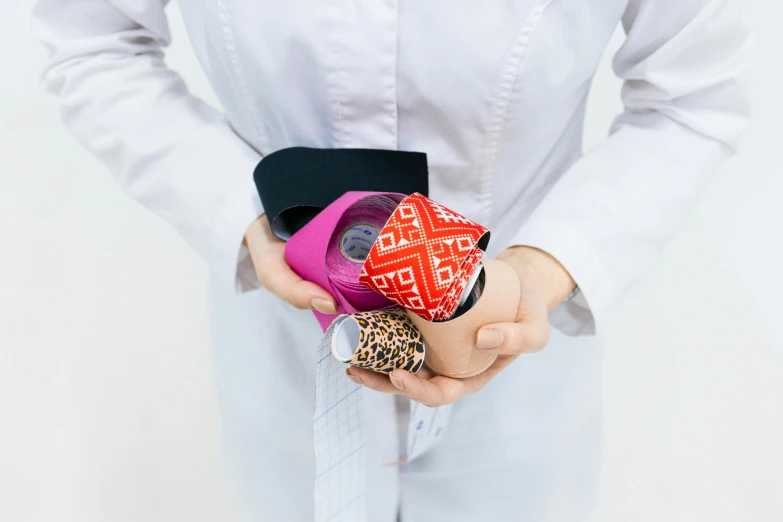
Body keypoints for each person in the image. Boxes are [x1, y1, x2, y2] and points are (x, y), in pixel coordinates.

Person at [32, 1, 751, 521]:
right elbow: (95, 45)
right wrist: (242, 212)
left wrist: (539, 270)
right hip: (283, 342)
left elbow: (692, 98)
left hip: (515, 357)